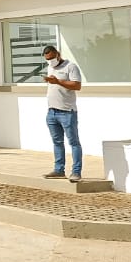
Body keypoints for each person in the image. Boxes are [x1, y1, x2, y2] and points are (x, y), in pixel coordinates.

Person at [41, 44, 84, 183]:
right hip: (52, 112)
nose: (50, 61)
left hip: (67, 112)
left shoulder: (70, 66)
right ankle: (59, 170)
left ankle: (76, 172)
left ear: (58, 54)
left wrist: (58, 81)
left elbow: (77, 86)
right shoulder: (50, 67)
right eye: (47, 59)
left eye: (52, 58)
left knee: (74, 142)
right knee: (57, 142)